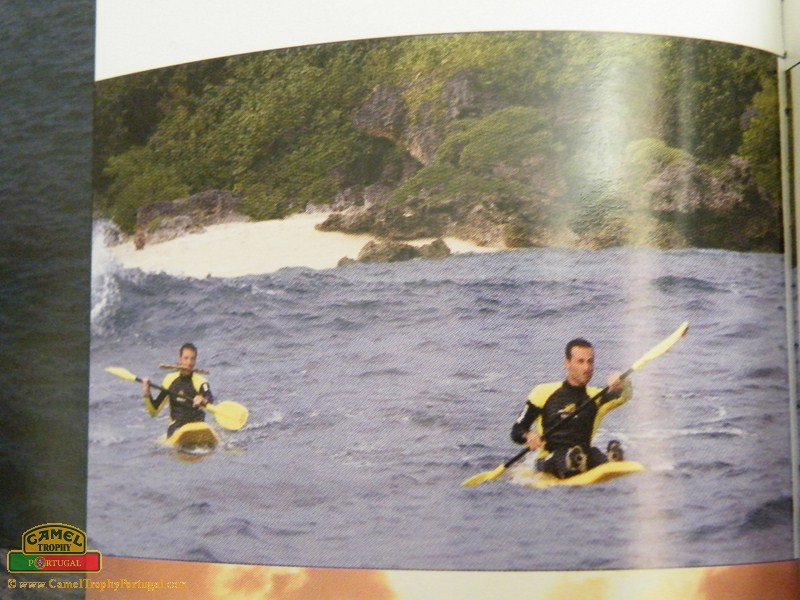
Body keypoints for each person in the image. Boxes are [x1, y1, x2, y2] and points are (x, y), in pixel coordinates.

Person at [510, 338, 632, 479]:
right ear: (567, 363)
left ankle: (610, 458)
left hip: (585, 453)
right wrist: (528, 436)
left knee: (594, 456)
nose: (586, 368)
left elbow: (625, 395)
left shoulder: (596, 397)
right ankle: (573, 461)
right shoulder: (542, 393)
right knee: (564, 460)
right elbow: (517, 430)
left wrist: (622, 381)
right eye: (580, 361)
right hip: (551, 457)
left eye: (590, 362)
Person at [142, 343, 214, 437]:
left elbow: (209, 397)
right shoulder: (169, 379)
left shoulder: (201, 381)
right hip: (177, 426)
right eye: (186, 358)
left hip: (198, 425)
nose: (189, 363)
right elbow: (154, 411)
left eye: (192, 359)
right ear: (180, 359)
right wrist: (147, 393)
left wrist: (203, 399)